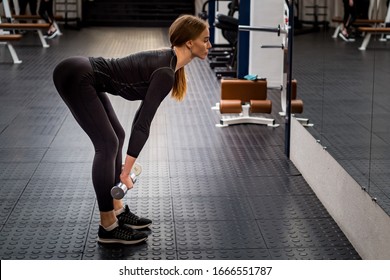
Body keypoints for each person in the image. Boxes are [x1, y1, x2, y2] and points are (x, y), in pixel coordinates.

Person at [53, 15, 211, 245]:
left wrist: (125, 169)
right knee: (107, 144)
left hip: (87, 75)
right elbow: (143, 124)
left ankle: (116, 210)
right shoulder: (166, 72)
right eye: (205, 40)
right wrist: (125, 174)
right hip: (77, 75)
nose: (209, 45)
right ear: (189, 42)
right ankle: (107, 226)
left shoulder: (170, 65)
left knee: (116, 136)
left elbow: (140, 117)